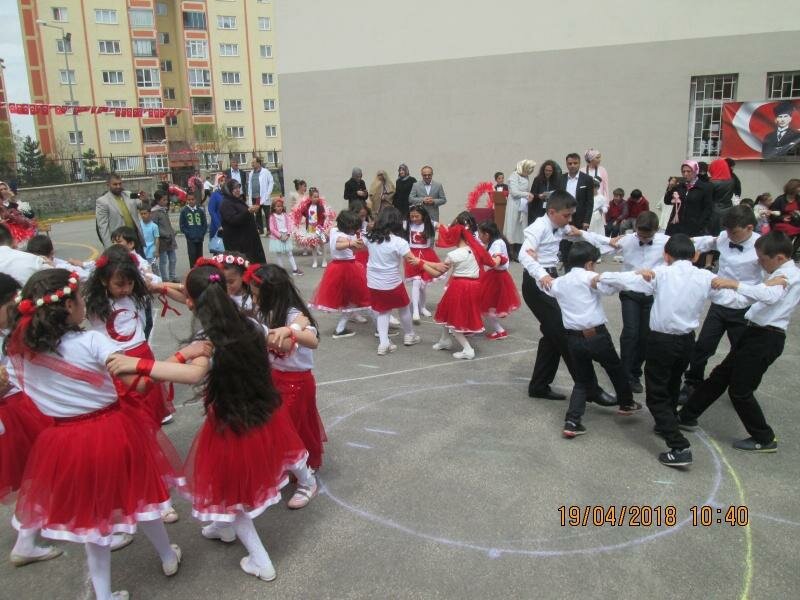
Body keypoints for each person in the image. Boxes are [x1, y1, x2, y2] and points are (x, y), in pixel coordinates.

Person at [107, 262, 315, 583]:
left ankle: (261, 560)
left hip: (232, 421)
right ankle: (224, 527)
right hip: (262, 411)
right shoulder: (249, 323)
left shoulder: (211, 335)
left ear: (192, 302)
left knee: (232, 495)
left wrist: (141, 364)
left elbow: (192, 374)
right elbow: (283, 344)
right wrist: (291, 329)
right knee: (267, 466)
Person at [8, 269, 186, 599]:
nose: (82, 303)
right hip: (112, 430)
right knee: (141, 495)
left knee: (93, 519)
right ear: (68, 306)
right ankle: (167, 556)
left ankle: (104, 594)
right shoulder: (90, 341)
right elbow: (135, 378)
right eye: (79, 297)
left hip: (63, 441)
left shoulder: (20, 352)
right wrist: (183, 359)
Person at [597, 234, 738, 467]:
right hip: (687, 341)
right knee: (673, 384)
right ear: (695, 255)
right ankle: (667, 424)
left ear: (666, 255)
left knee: (656, 394)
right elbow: (734, 300)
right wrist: (744, 287)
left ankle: (678, 446)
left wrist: (599, 276)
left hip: (662, 341)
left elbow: (626, 280)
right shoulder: (706, 276)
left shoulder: (660, 273)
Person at [679, 231, 799, 453]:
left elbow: (769, 296)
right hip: (754, 333)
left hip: (767, 338)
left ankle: (764, 437)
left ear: (780, 257)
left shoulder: (787, 276)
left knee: (740, 390)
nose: (760, 264)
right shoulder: (779, 273)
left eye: (763, 259)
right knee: (719, 377)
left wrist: (734, 284)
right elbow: (753, 297)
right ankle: (686, 416)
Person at [518, 190, 616, 405]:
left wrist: (611, 241)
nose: (570, 219)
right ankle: (590, 389)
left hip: (552, 280)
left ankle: (539, 385)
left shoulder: (560, 226)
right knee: (565, 334)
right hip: (538, 284)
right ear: (552, 212)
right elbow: (523, 254)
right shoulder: (538, 227)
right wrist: (542, 275)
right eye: (566, 215)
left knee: (552, 335)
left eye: (571, 215)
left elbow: (581, 234)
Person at [545, 242, 642, 438]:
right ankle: (626, 402)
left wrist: (541, 274)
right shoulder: (590, 277)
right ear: (589, 264)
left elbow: (547, 286)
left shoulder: (559, 282)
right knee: (615, 369)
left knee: (582, 381)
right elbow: (612, 288)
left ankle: (572, 421)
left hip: (573, 338)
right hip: (596, 336)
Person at [246, 263, 326, 488]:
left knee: (292, 428)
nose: (254, 300)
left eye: (257, 295)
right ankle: (287, 464)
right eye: (252, 295)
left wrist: (291, 330)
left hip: (297, 383)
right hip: (273, 378)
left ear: (273, 294)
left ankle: (305, 475)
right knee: (277, 427)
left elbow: (312, 340)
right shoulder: (262, 312)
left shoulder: (294, 315)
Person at [0, 273, 58, 568]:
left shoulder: (8, 331)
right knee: (42, 469)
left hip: (18, 407)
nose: (16, 310)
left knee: (35, 473)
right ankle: (27, 535)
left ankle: (31, 525)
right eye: (11, 305)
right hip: (13, 411)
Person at [84, 246, 175, 431]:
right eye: (119, 284)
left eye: (130, 283)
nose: (125, 289)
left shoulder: (136, 294)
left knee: (149, 404)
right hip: (118, 362)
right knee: (129, 414)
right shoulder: (93, 303)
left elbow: (156, 282)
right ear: (103, 280)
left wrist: (149, 279)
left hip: (143, 354)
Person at [679, 205, 763, 402]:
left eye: (734, 232)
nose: (729, 236)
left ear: (749, 228)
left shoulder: (761, 246)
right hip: (720, 303)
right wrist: (681, 242)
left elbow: (772, 278)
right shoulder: (725, 237)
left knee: (742, 352)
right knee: (703, 346)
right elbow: (706, 242)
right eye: (727, 231)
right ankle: (692, 383)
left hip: (745, 306)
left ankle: (742, 388)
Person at [605, 212, 668, 393]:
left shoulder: (666, 241)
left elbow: (694, 244)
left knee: (645, 336)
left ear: (656, 230)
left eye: (647, 237)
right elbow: (602, 245)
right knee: (630, 333)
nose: (643, 239)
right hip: (630, 292)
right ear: (635, 229)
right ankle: (624, 375)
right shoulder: (627, 240)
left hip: (652, 294)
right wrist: (578, 234)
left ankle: (635, 372)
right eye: (640, 235)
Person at [424, 219, 495, 360]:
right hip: (474, 286)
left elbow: (437, 272)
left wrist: (421, 263)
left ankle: (468, 349)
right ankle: (444, 340)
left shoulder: (454, 255)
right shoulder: (475, 249)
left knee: (454, 319)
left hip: (460, 287)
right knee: (448, 313)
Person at [364, 207, 421, 355]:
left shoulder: (369, 238)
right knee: (404, 307)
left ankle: (384, 343)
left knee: (382, 311)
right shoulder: (399, 242)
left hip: (373, 281)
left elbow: (356, 245)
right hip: (392, 282)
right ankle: (409, 335)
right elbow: (412, 260)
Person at [310, 210, 371, 338]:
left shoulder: (334, 230)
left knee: (351, 301)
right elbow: (338, 245)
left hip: (337, 267)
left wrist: (319, 232)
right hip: (348, 269)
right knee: (364, 298)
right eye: (353, 227)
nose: (355, 230)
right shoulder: (344, 236)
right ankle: (381, 328)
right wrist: (352, 243)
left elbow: (325, 238)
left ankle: (340, 329)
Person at [478, 220, 520, 339]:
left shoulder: (496, 244)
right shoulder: (497, 241)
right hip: (496, 276)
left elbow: (496, 261)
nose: (479, 237)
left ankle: (500, 331)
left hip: (495, 277)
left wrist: (488, 260)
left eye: (480, 234)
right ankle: (498, 330)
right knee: (488, 306)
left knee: (488, 306)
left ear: (487, 234)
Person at [404, 205, 442, 323]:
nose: (414, 219)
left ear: (423, 215)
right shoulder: (406, 224)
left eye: (417, 216)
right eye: (412, 216)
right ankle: (415, 310)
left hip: (427, 255)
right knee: (416, 282)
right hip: (412, 255)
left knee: (423, 285)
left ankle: (422, 307)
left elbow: (444, 228)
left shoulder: (430, 223)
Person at [220, 179, 266, 264]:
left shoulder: (237, 201)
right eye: (235, 188)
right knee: (243, 265)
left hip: (247, 240)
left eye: (238, 187)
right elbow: (233, 220)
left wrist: (256, 225)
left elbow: (246, 216)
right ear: (229, 190)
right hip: (238, 243)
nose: (238, 190)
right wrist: (248, 211)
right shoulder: (226, 203)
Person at [664, 160, 713, 237]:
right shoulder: (680, 186)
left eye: (688, 171)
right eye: (683, 172)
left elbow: (707, 209)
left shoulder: (704, 187)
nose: (685, 174)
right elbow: (667, 201)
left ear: (695, 171)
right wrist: (670, 188)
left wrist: (700, 225)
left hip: (693, 228)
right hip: (676, 227)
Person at [95, 173, 143, 250]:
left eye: (120, 183)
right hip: (120, 245)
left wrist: (144, 199)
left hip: (135, 241)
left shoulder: (129, 194)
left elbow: (141, 205)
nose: (118, 186)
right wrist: (110, 249)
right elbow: (103, 228)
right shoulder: (102, 201)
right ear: (108, 185)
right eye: (115, 184)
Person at [292, 189, 334, 269]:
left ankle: (324, 260)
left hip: (319, 228)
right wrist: (299, 207)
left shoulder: (320, 206)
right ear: (310, 197)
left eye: (317, 196)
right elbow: (303, 212)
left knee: (322, 243)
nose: (316, 198)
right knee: (313, 245)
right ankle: (315, 261)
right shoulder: (308, 205)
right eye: (314, 197)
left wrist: (319, 226)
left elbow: (322, 218)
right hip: (310, 228)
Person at [505, 160, 536, 260]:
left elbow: (527, 190)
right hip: (514, 205)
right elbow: (514, 192)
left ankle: (520, 250)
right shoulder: (513, 176)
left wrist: (528, 196)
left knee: (522, 228)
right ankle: (511, 251)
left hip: (523, 205)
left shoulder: (526, 176)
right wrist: (527, 194)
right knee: (513, 227)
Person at [268, 198, 302, 275]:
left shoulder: (285, 216)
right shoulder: (272, 217)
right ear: (274, 207)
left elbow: (289, 225)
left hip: (286, 236)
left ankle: (295, 269)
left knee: (289, 253)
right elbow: (272, 229)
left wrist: (288, 234)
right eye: (277, 206)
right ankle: (281, 271)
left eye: (281, 206)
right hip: (277, 238)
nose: (280, 208)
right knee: (279, 254)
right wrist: (280, 236)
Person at [151, 191, 179, 282]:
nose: (166, 201)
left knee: (173, 259)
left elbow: (167, 224)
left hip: (170, 239)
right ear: (158, 201)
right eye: (164, 200)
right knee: (163, 261)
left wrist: (172, 231)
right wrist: (165, 233)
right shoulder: (155, 212)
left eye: (166, 199)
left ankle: (172, 276)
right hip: (162, 240)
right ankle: (164, 278)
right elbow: (155, 227)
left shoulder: (164, 210)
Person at [769, 178, 800, 258]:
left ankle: (792, 252)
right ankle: (785, 252)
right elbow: (772, 214)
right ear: (793, 188)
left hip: (795, 222)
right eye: (798, 187)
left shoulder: (798, 199)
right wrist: (782, 218)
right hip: (781, 222)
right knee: (788, 230)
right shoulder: (780, 199)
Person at [0, 181, 37, 245]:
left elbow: (29, 215)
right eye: (1, 189)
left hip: (20, 230)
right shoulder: (1, 205)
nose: (3, 191)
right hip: (6, 232)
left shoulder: (14, 203)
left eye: (5, 189)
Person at [179, 194, 208, 269]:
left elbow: (204, 224)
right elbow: (182, 226)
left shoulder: (200, 211)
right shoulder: (184, 211)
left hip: (199, 238)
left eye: (192, 199)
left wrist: (202, 233)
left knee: (200, 256)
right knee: (192, 255)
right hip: (190, 239)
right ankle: (193, 270)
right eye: (189, 200)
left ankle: (200, 270)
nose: (191, 201)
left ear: (195, 200)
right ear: (186, 200)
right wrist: (188, 233)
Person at [248, 157, 274, 236]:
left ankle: (269, 230)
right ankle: (260, 230)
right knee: (257, 214)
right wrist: (249, 195)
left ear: (258, 163)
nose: (252, 164)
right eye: (252, 162)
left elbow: (271, 182)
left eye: (253, 162)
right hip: (254, 197)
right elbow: (249, 185)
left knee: (267, 214)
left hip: (264, 196)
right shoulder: (251, 173)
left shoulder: (265, 171)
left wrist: (268, 193)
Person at [207, 173, 226, 254]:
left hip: (228, 227)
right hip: (217, 228)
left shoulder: (228, 195)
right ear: (217, 183)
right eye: (221, 181)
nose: (223, 182)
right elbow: (212, 210)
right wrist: (219, 225)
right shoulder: (215, 195)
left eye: (225, 180)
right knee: (218, 252)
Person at [139, 205, 160, 273]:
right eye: (141, 214)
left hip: (151, 251)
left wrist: (156, 251)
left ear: (150, 214)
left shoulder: (154, 226)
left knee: (153, 269)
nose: (143, 215)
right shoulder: (139, 225)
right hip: (142, 251)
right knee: (143, 270)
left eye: (145, 213)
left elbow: (157, 239)